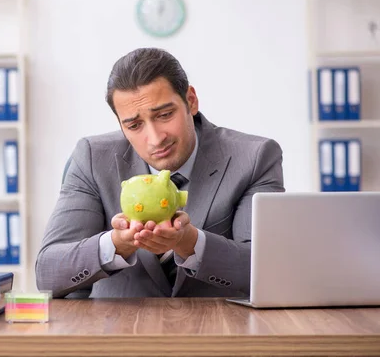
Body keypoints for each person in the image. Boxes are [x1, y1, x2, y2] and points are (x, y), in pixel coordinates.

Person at [35, 48, 284, 298]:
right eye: (134, 125)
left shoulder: (255, 158)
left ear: (191, 100)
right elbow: (48, 273)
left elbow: (266, 270)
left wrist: (190, 243)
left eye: (165, 115)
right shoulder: (91, 158)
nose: (155, 139)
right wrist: (116, 244)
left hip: (219, 330)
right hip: (119, 331)